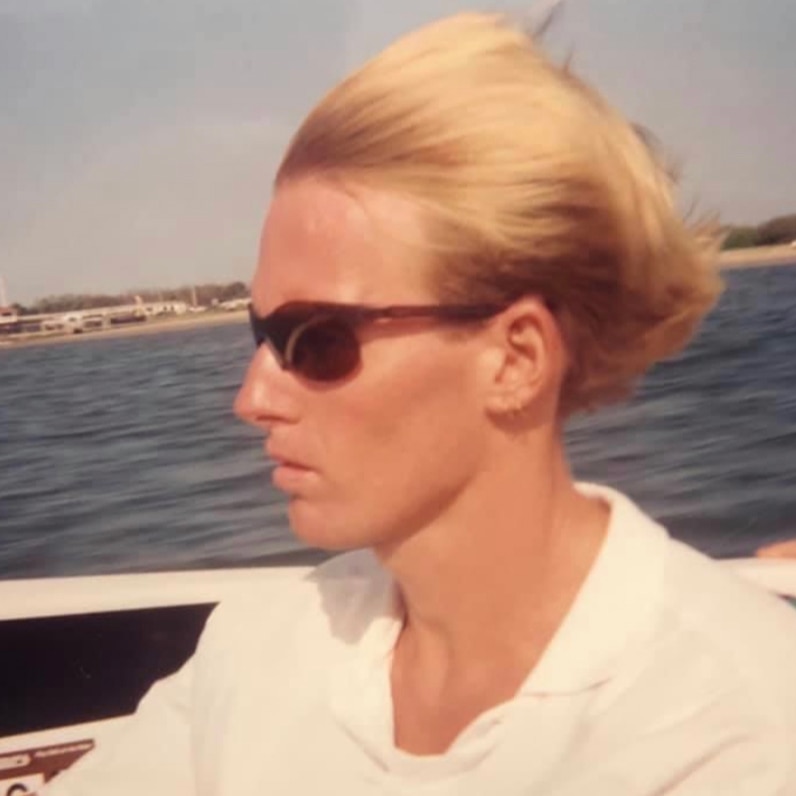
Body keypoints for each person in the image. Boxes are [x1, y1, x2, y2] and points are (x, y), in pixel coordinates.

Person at [44, 11, 796, 796]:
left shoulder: (729, 726)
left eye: (318, 340)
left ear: (515, 358)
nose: (252, 398)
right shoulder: (252, 653)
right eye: (260, 333)